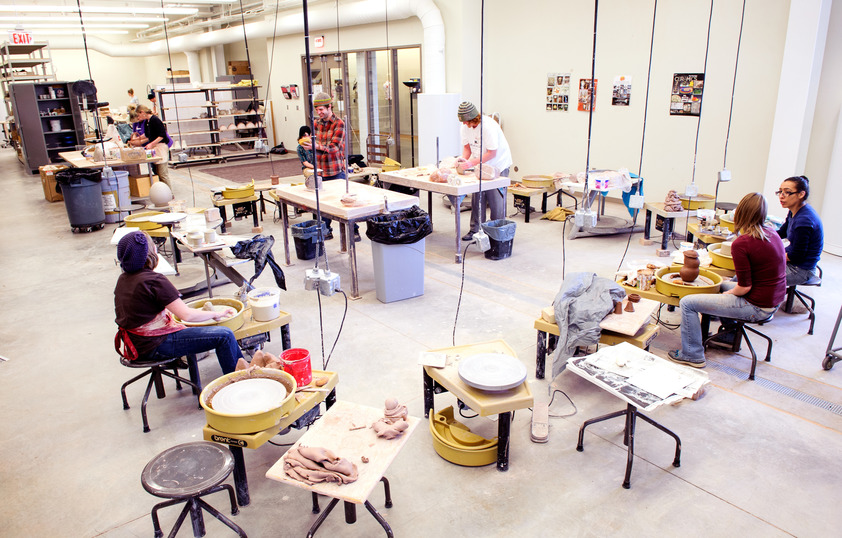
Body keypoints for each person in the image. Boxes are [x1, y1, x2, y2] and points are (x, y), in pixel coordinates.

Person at [668, 192, 786, 368]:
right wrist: (726, 290)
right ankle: (729, 335)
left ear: (739, 214)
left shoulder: (742, 243)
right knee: (717, 285)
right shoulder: (771, 232)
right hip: (772, 298)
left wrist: (730, 293)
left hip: (757, 306)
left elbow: (744, 287)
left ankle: (692, 355)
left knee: (687, 303)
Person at [114, 231, 242, 375]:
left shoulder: (123, 279)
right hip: (153, 346)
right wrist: (217, 314)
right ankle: (238, 381)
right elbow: (186, 315)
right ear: (150, 253)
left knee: (187, 327)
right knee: (224, 335)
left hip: (135, 344)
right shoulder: (154, 280)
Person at [301, 92, 358, 240]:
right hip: (320, 170)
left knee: (345, 202)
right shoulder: (315, 124)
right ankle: (326, 231)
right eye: (317, 110)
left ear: (329, 106)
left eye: (321, 109)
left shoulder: (339, 123)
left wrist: (316, 146)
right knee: (320, 205)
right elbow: (316, 146)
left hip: (335, 169)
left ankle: (355, 230)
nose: (319, 113)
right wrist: (308, 145)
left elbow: (334, 148)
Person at [456, 101, 512, 241]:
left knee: (496, 200)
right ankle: (475, 230)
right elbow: (467, 148)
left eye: (468, 122)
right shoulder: (464, 127)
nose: (466, 125)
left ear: (474, 118)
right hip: (480, 164)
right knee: (478, 197)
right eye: (464, 122)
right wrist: (463, 160)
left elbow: (492, 153)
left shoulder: (488, 126)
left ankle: (496, 233)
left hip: (497, 164)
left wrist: (471, 162)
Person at [775, 175, 823, 286]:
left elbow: (796, 256)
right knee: (753, 266)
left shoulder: (804, 221)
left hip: (801, 270)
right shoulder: (794, 210)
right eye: (780, 191)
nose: (781, 197)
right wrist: (763, 235)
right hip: (793, 260)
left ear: (801, 194)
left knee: (757, 274)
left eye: (787, 192)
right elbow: (782, 232)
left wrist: (771, 256)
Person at [131, 104, 172, 188]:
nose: (138, 118)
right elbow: (147, 134)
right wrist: (136, 139)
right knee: (156, 172)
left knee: (162, 173)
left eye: (138, 115)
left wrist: (151, 144)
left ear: (142, 112)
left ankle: (169, 193)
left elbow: (161, 135)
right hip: (155, 148)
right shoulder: (147, 121)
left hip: (161, 147)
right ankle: (162, 191)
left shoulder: (155, 120)